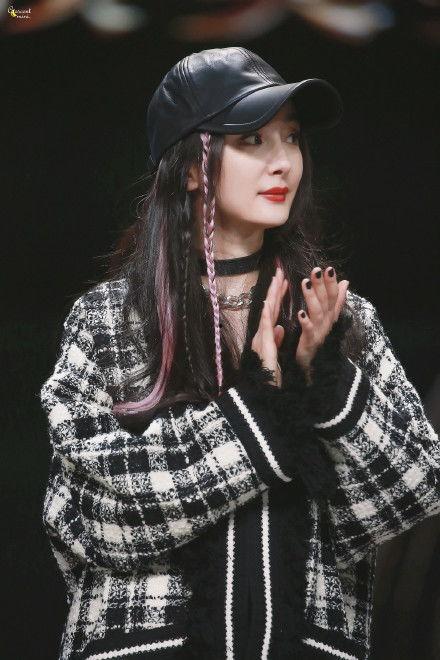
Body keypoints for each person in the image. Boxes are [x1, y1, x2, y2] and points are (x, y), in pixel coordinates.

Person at [39, 47, 440, 660]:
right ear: (191, 168)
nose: (283, 162)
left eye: (292, 138)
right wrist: (257, 412)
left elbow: (413, 492)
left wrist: (328, 384)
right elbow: (92, 520)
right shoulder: (111, 320)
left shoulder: (339, 319)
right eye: (252, 139)